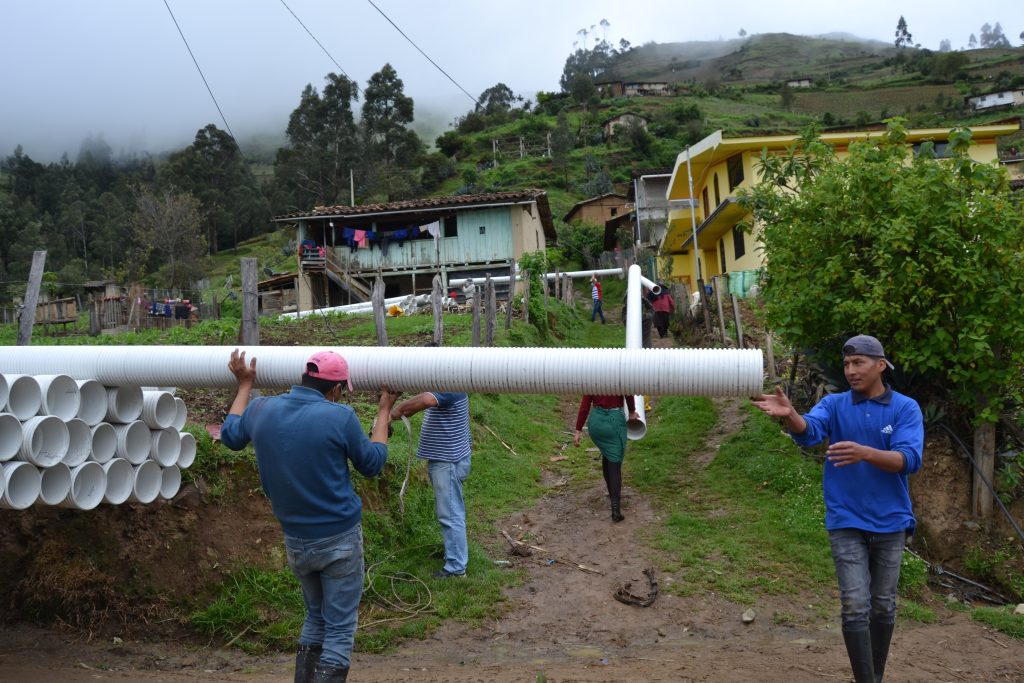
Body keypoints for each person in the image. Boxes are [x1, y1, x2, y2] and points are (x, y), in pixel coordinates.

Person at [751, 335, 923, 683]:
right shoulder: (834, 404)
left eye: (858, 363)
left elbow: (909, 459)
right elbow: (810, 432)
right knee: (855, 603)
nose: (850, 370)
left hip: (891, 521)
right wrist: (792, 416)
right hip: (846, 519)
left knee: (883, 603)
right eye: (846, 364)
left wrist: (865, 453)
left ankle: (873, 677)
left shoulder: (905, 408)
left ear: (880, 365)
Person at [221, 349, 399, 683]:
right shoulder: (340, 417)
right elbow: (373, 463)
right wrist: (384, 409)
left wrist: (245, 385)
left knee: (316, 617)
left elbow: (230, 436)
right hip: (339, 541)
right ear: (336, 389)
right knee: (339, 628)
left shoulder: (261, 408)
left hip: (297, 541)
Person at [390, 363, 472, 579]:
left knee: (450, 513)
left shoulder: (451, 384)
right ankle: (455, 557)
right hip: (451, 458)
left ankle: (456, 568)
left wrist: (396, 410)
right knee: (452, 510)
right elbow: (423, 400)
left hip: (447, 461)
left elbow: (426, 400)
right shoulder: (450, 380)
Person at [574, 394, 639, 522]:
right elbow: (629, 394)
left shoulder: (592, 381)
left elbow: (585, 405)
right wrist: (632, 411)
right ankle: (615, 510)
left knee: (607, 453)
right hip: (614, 421)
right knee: (615, 463)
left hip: (596, 422)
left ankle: (612, 494)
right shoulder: (619, 379)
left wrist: (578, 430)